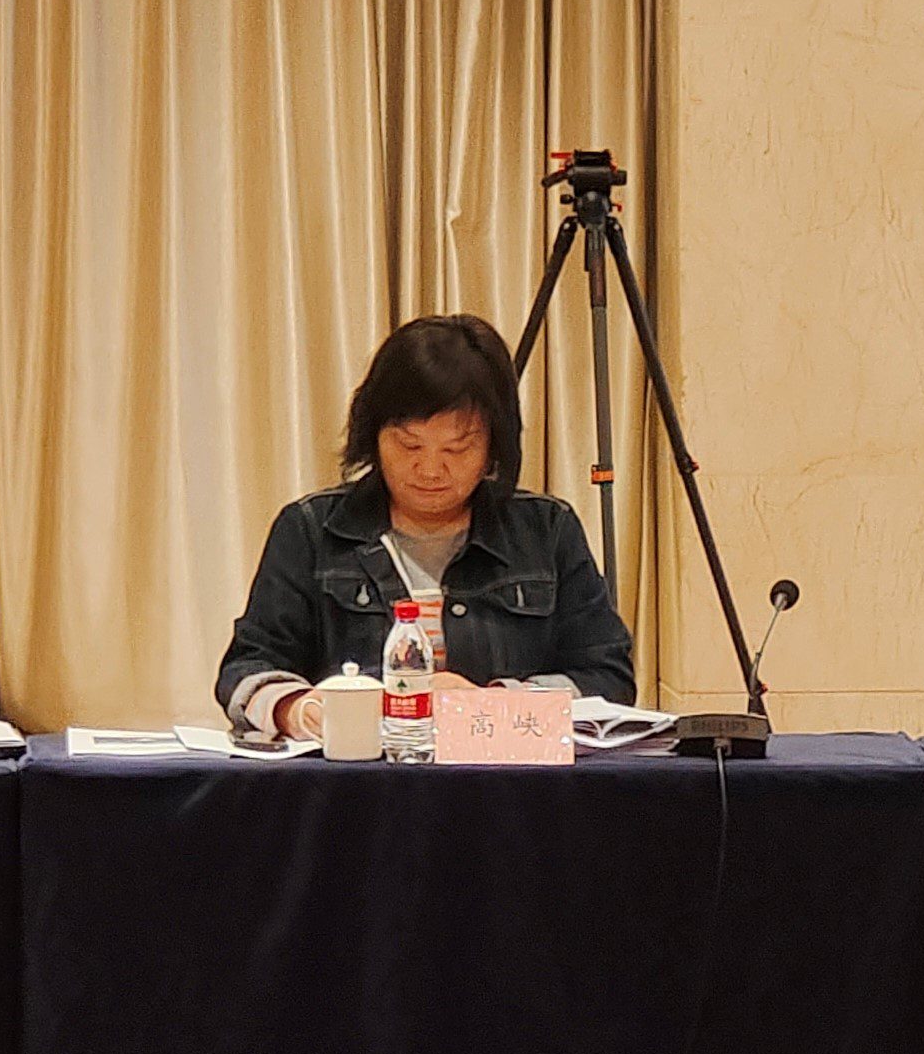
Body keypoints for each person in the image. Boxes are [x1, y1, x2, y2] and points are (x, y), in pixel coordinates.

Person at [218, 314, 633, 739]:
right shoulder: (311, 531)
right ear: (374, 434)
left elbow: (609, 677)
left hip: (503, 774)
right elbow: (247, 668)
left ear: (494, 445)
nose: (430, 469)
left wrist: (493, 703)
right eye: (409, 444)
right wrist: (296, 709)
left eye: (457, 449)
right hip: (355, 772)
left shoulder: (546, 531)